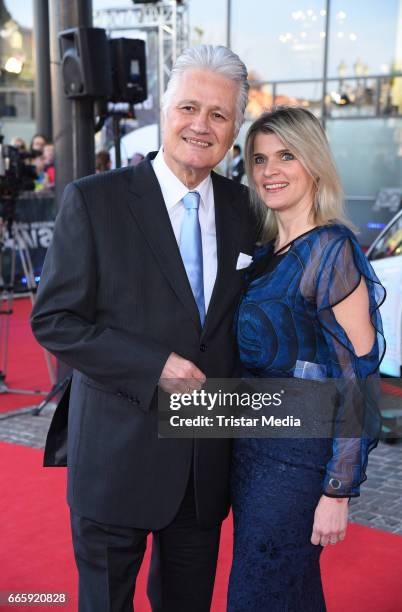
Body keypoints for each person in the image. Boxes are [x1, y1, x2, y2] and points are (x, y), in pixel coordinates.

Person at [31, 45, 256, 612]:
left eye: (219, 115)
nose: (201, 126)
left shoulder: (247, 210)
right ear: (163, 109)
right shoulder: (94, 200)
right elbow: (54, 320)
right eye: (189, 107)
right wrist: (153, 366)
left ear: (234, 128)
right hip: (115, 458)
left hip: (202, 469)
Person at [227, 107, 385, 611]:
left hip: (296, 463)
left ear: (314, 162)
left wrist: (338, 492)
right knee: (286, 591)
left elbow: (357, 379)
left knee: (261, 591)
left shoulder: (331, 250)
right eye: (259, 159)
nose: (270, 170)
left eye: (286, 156)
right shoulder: (267, 249)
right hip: (250, 454)